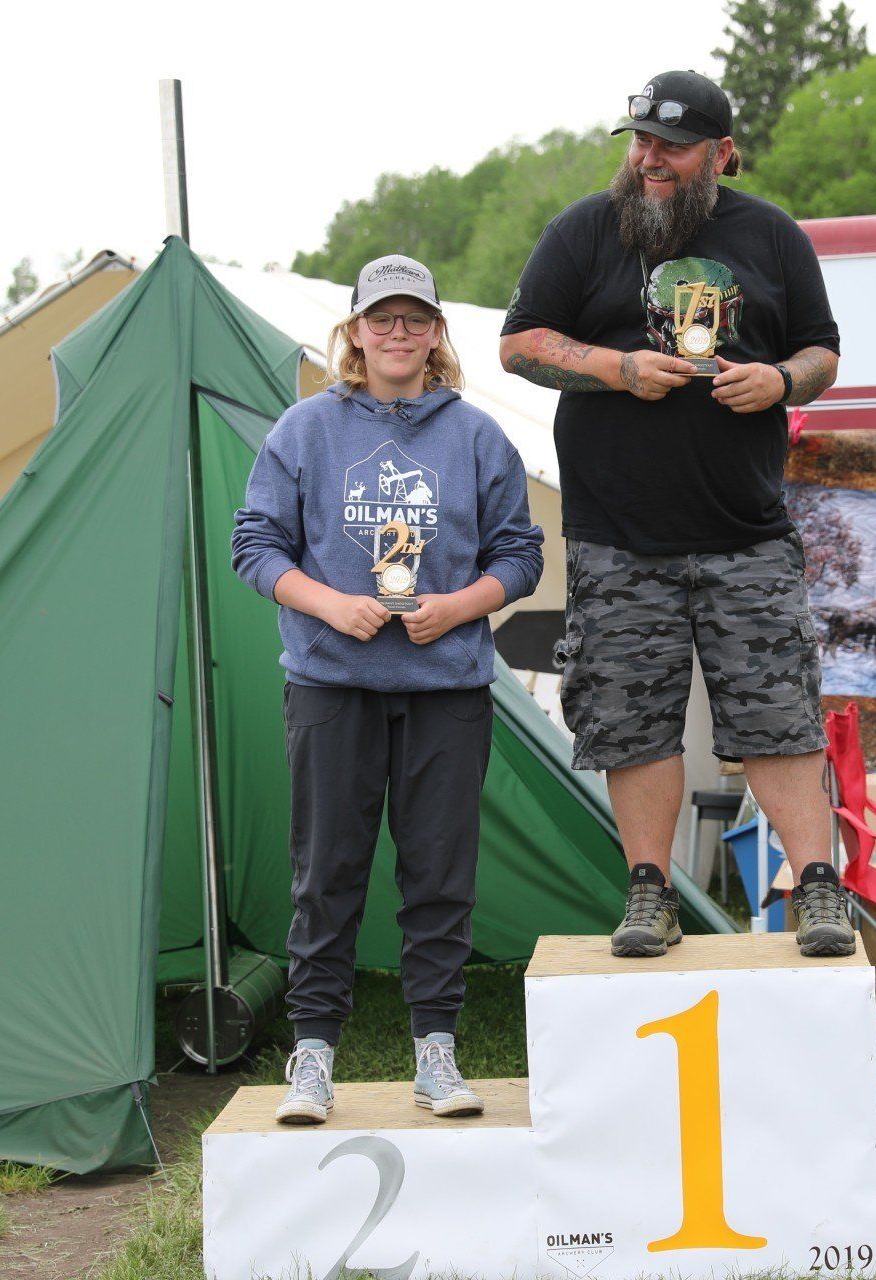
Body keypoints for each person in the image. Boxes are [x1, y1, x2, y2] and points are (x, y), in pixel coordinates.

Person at [498, 69, 852, 959]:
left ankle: (817, 890)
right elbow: (520, 342)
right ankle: (649, 893)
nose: (650, 160)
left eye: (672, 146)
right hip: (619, 535)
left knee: (779, 714)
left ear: (721, 153)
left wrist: (779, 380)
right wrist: (616, 367)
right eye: (641, 142)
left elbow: (822, 352)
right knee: (629, 718)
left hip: (747, 533)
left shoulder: (771, 234)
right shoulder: (584, 229)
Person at [232, 254, 544, 1123]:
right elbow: (255, 544)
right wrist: (333, 605)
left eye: (414, 320)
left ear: (437, 333)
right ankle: (312, 1056)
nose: (398, 334)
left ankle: (436, 1053)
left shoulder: (477, 435)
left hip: (446, 685)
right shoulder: (304, 430)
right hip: (332, 685)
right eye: (382, 320)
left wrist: (457, 608)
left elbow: (520, 555)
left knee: (439, 873)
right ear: (356, 333)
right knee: (325, 872)